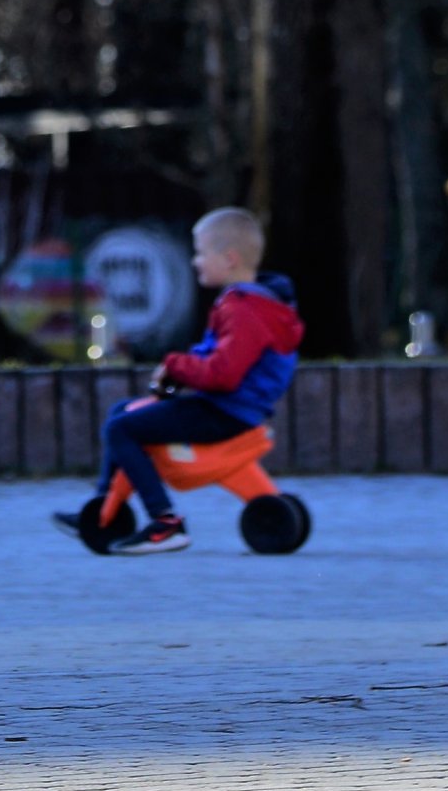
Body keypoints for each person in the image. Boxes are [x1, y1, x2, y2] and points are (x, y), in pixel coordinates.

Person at [54, 206, 304, 556]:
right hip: (235, 408)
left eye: (201, 253)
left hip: (225, 412)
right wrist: (181, 369)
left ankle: (165, 522)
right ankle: (101, 509)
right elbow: (217, 359)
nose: (194, 261)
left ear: (229, 259)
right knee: (122, 411)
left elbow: (223, 374)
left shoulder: (244, 309)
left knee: (122, 429)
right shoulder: (258, 303)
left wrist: (174, 366)